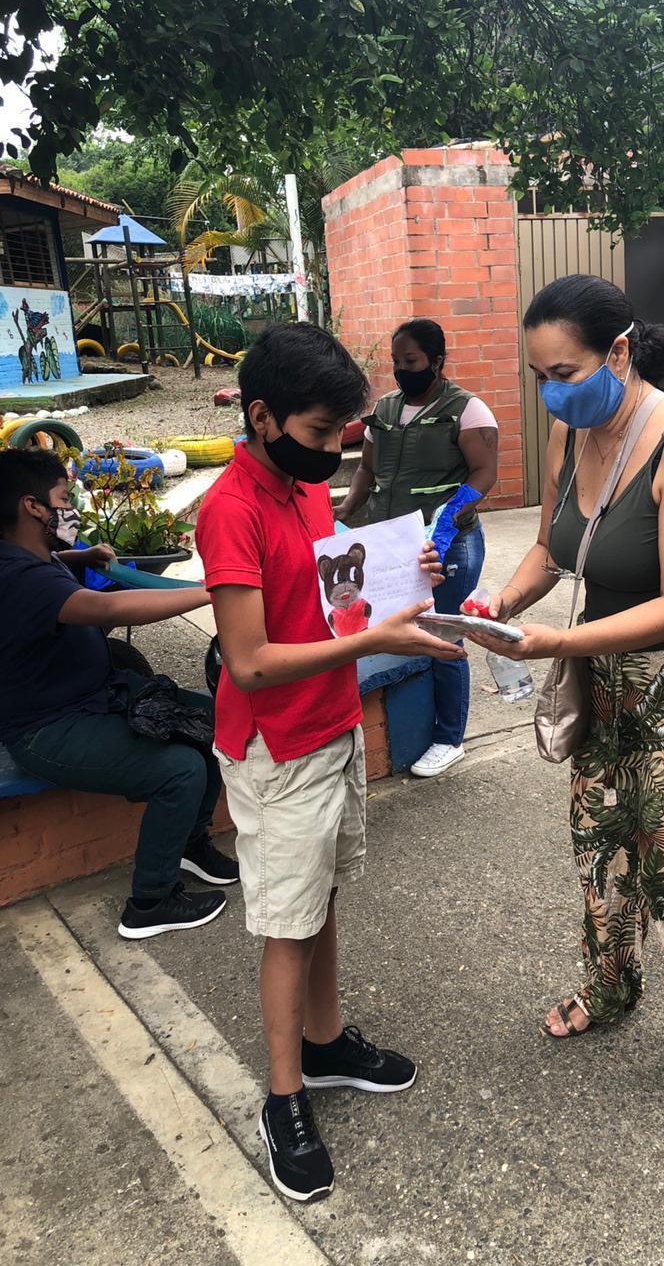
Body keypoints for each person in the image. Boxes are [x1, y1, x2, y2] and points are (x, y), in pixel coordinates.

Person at [465, 275, 664, 1106]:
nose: (551, 391)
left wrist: (553, 640)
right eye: (540, 375)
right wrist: (495, 604)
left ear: (620, 353)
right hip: (608, 673)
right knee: (599, 840)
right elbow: (549, 551)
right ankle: (612, 987)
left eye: (566, 372)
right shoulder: (570, 433)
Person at [194, 322, 466, 1201]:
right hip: (276, 749)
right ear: (263, 416)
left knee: (321, 900)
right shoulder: (229, 509)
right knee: (285, 923)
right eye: (317, 435)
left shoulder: (307, 493)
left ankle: (326, 1040)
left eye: (341, 435)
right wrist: (375, 638)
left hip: (333, 725)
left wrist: (407, 583)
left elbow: (335, 595)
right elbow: (248, 660)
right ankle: (284, 1098)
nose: (330, 453)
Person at [0, 448, 237, 939]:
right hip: (49, 729)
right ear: (32, 507)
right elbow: (107, 610)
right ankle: (150, 903)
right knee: (180, 769)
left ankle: (188, 845)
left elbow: (49, 574)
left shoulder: (26, 554)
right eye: (63, 499)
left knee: (214, 723)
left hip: (95, 697)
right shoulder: (20, 577)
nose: (70, 510)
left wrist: (77, 555)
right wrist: (213, 591)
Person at [335, 318, 499, 778]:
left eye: (411, 361)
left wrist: (444, 524)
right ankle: (421, 723)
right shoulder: (384, 410)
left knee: (443, 636)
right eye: (396, 362)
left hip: (450, 544)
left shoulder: (467, 410)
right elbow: (366, 471)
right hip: (392, 544)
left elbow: (483, 475)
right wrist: (348, 509)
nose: (401, 370)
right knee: (399, 629)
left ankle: (450, 738)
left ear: (437, 361)